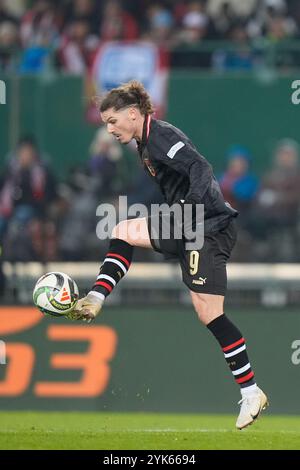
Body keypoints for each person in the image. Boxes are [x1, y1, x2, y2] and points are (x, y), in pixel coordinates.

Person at [70, 80, 269, 430]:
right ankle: (96, 297)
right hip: (187, 224)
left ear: (133, 114)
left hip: (207, 227)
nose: (110, 129)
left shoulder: (161, 136)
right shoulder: (144, 143)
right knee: (122, 230)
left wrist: (189, 209)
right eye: (106, 124)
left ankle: (252, 391)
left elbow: (201, 169)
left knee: (209, 314)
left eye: (113, 121)